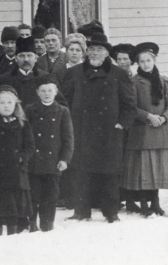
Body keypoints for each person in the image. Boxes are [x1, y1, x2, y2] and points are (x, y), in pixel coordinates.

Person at [60, 32, 136, 222]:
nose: (95, 53)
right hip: (81, 131)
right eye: (92, 49)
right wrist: (68, 126)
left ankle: (111, 212)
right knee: (81, 172)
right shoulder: (74, 73)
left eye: (99, 49)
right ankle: (81, 211)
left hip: (109, 132)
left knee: (109, 173)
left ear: (106, 53)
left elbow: (129, 104)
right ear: (87, 52)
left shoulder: (119, 74)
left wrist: (122, 124)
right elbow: (64, 101)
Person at [120, 42, 167, 217]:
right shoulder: (134, 82)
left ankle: (155, 203)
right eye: (142, 61)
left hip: (160, 130)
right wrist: (148, 116)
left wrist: (163, 117)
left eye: (149, 60)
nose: (146, 64)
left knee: (157, 168)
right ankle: (144, 204)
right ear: (138, 64)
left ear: (154, 61)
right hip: (142, 131)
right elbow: (130, 106)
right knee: (143, 169)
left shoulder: (163, 81)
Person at [0, 86, 34, 236]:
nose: (6, 106)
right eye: (2, 103)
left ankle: (12, 235)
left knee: (14, 209)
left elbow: (30, 146)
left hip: (16, 172)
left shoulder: (23, 124)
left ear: (16, 104)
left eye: (9, 102)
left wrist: (21, 157)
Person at [25, 74, 73, 231]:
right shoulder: (30, 109)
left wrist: (65, 159)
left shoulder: (63, 111)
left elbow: (68, 138)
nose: (46, 93)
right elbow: (25, 135)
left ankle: (47, 224)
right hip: (34, 160)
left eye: (50, 90)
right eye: (43, 90)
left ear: (56, 92)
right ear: (37, 92)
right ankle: (32, 223)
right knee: (33, 194)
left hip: (53, 161)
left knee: (51, 195)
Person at [0, 36, 56, 109]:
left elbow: (59, 105)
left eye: (29, 56)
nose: (26, 59)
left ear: (36, 58)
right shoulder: (4, 80)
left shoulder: (46, 78)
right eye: (22, 56)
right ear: (16, 58)